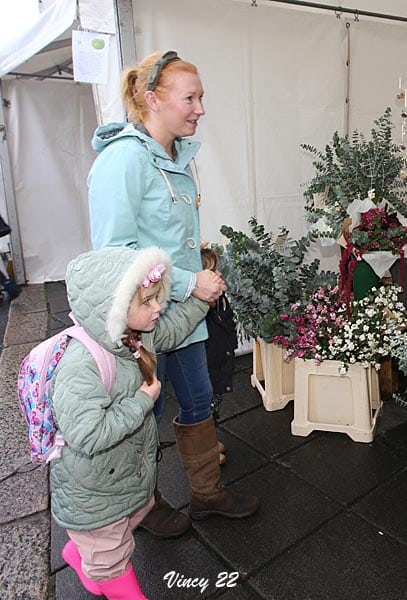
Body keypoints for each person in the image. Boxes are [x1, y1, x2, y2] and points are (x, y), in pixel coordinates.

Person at [87, 50, 259, 538]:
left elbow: (160, 237)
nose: (200, 108)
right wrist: (188, 281)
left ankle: (206, 496)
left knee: (199, 399)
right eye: (190, 97)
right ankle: (144, 505)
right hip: (144, 317)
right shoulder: (122, 161)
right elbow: (115, 254)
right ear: (151, 99)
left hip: (183, 313)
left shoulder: (174, 159)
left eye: (201, 97)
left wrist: (197, 260)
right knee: (146, 413)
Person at [51, 246, 210, 598]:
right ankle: (98, 564)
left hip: (121, 479)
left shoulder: (136, 335)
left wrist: (203, 302)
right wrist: (143, 401)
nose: (158, 307)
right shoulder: (80, 366)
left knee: (135, 513)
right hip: (94, 491)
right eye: (147, 301)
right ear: (114, 307)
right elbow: (87, 434)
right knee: (113, 561)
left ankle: (78, 553)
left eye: (158, 297)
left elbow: (173, 329)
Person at [201, 246, 238, 464]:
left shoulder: (220, 299)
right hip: (210, 365)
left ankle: (211, 439)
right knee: (206, 406)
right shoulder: (203, 309)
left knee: (214, 404)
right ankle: (206, 446)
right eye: (213, 273)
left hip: (219, 360)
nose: (219, 276)